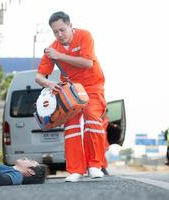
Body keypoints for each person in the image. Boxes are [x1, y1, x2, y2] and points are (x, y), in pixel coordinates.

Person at [35, 11, 106, 182]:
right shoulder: (52, 49)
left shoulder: (84, 36)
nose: (59, 35)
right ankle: (75, 170)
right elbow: (39, 77)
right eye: (55, 32)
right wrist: (49, 84)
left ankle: (95, 166)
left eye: (62, 30)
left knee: (92, 120)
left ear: (70, 25)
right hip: (70, 91)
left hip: (92, 86)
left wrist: (59, 56)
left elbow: (87, 63)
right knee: (72, 127)